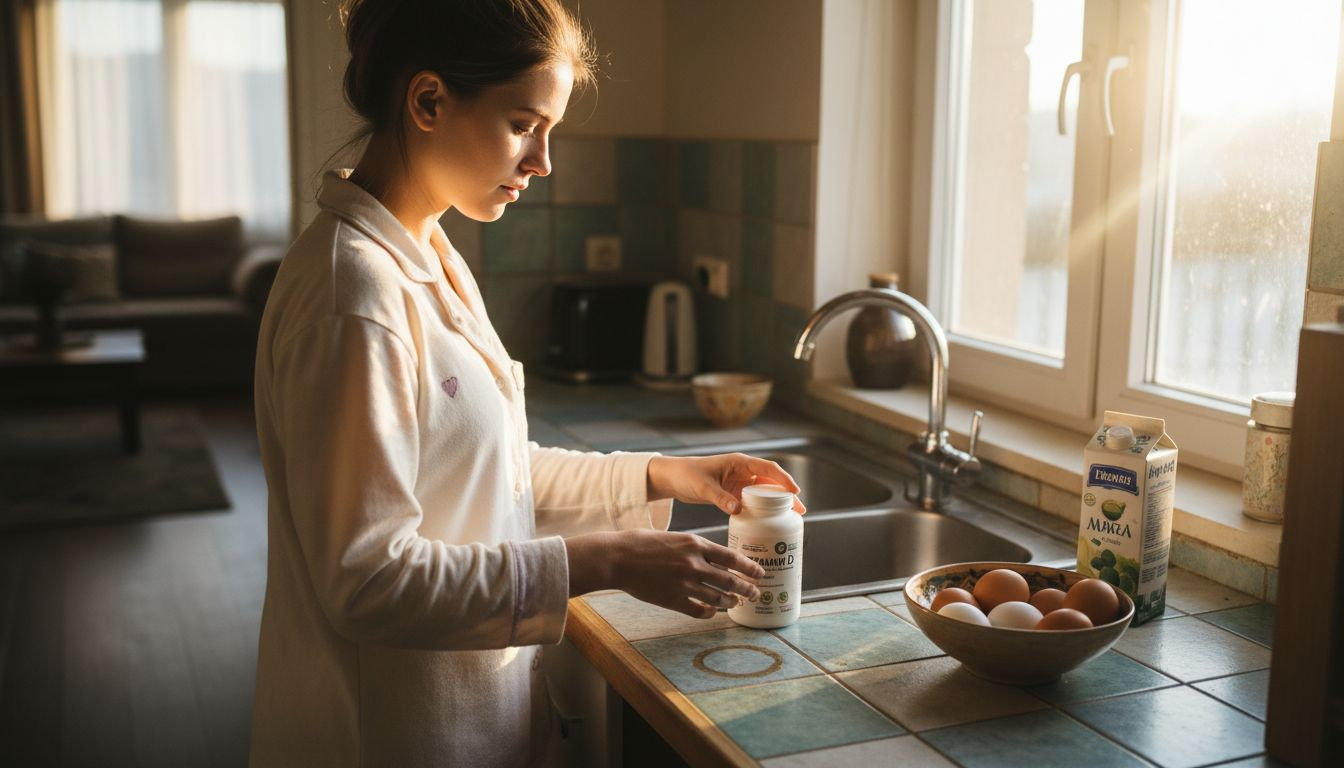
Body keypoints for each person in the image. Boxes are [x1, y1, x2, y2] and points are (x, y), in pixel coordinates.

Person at [248, 1, 805, 765]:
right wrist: (602, 561)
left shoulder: (428, 252)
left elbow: (485, 471)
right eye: (523, 124)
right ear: (429, 101)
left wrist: (665, 471)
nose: (543, 161)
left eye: (549, 132)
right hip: (384, 739)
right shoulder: (354, 297)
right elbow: (367, 579)